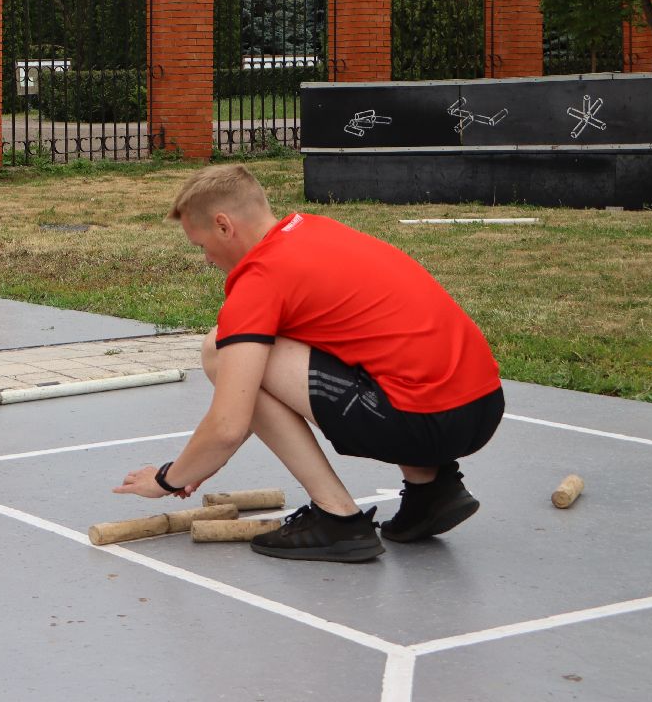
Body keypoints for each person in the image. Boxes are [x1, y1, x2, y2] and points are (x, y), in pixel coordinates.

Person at [114, 164, 503, 563]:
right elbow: (258, 401)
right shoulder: (316, 230)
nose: (207, 259)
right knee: (365, 351)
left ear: (224, 225)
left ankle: (339, 520)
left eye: (201, 245)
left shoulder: (260, 280)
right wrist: (207, 459)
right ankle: (432, 491)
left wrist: (167, 478)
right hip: (484, 407)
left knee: (219, 348)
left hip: (422, 423)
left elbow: (229, 425)